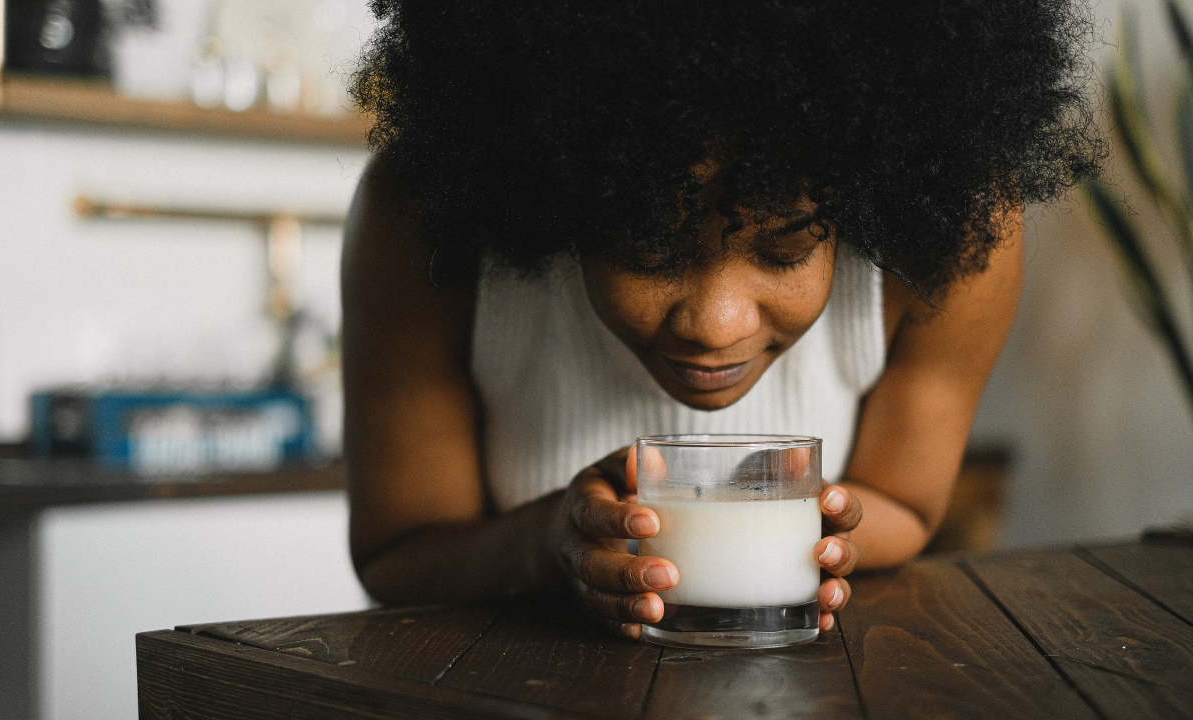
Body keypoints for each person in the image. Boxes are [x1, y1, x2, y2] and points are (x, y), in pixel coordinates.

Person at [340, 1, 1104, 638]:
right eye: (647, 245)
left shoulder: (950, 243)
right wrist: (550, 541)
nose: (715, 323)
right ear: (562, 194)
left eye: (787, 246)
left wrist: (825, 529)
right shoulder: (424, 228)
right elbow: (398, 556)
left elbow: (903, 503)